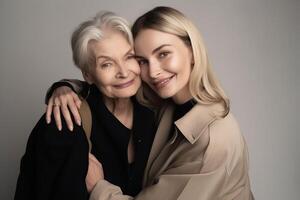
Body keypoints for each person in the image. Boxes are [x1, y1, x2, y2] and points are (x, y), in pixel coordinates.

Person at [46, 6, 254, 200]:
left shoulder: (213, 143)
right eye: (142, 61)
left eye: (163, 54)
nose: (153, 72)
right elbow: (109, 83)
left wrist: (98, 186)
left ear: (191, 51)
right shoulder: (164, 102)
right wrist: (64, 88)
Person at [14, 12, 156, 200]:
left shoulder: (155, 114)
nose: (123, 72)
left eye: (129, 57)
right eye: (106, 64)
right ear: (88, 75)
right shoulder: (65, 121)